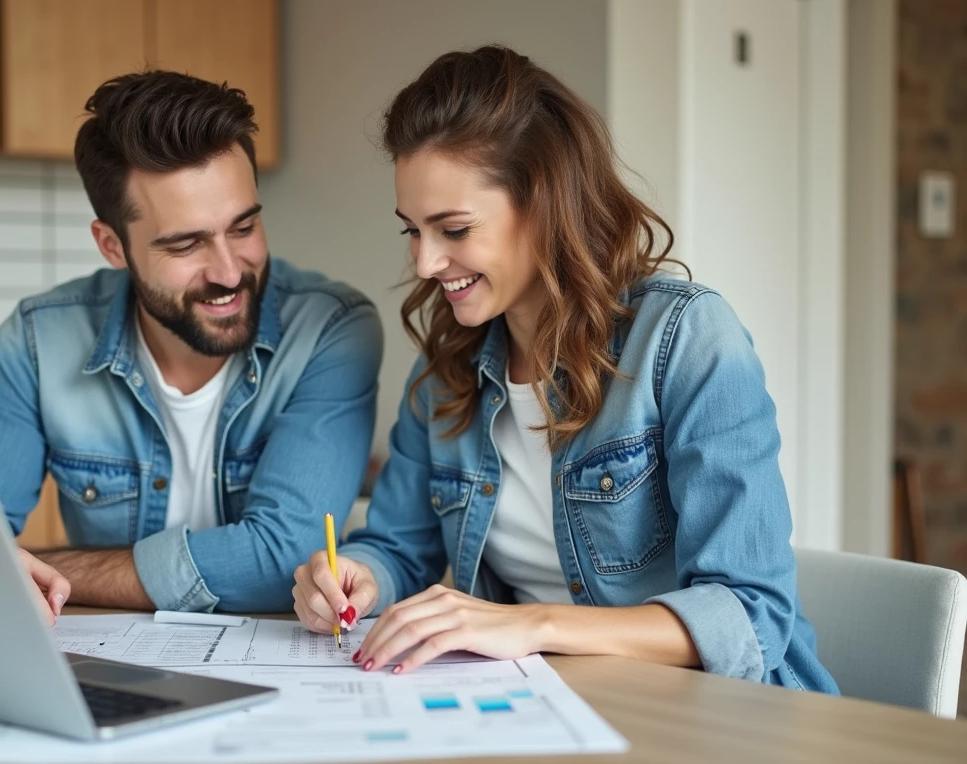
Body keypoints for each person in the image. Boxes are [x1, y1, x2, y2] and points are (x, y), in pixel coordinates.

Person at [292, 45, 837, 693]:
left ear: (544, 204)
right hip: (544, 702)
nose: (426, 264)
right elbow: (400, 545)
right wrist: (355, 574)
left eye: (455, 230)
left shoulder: (686, 339)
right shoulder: (445, 370)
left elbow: (749, 615)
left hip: (727, 715)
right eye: (411, 230)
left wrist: (532, 625)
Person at [0, 70, 383, 623]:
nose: (227, 272)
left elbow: (282, 558)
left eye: (243, 228)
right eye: (186, 243)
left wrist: (51, 572)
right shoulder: (39, 341)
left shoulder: (329, 328)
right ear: (112, 246)